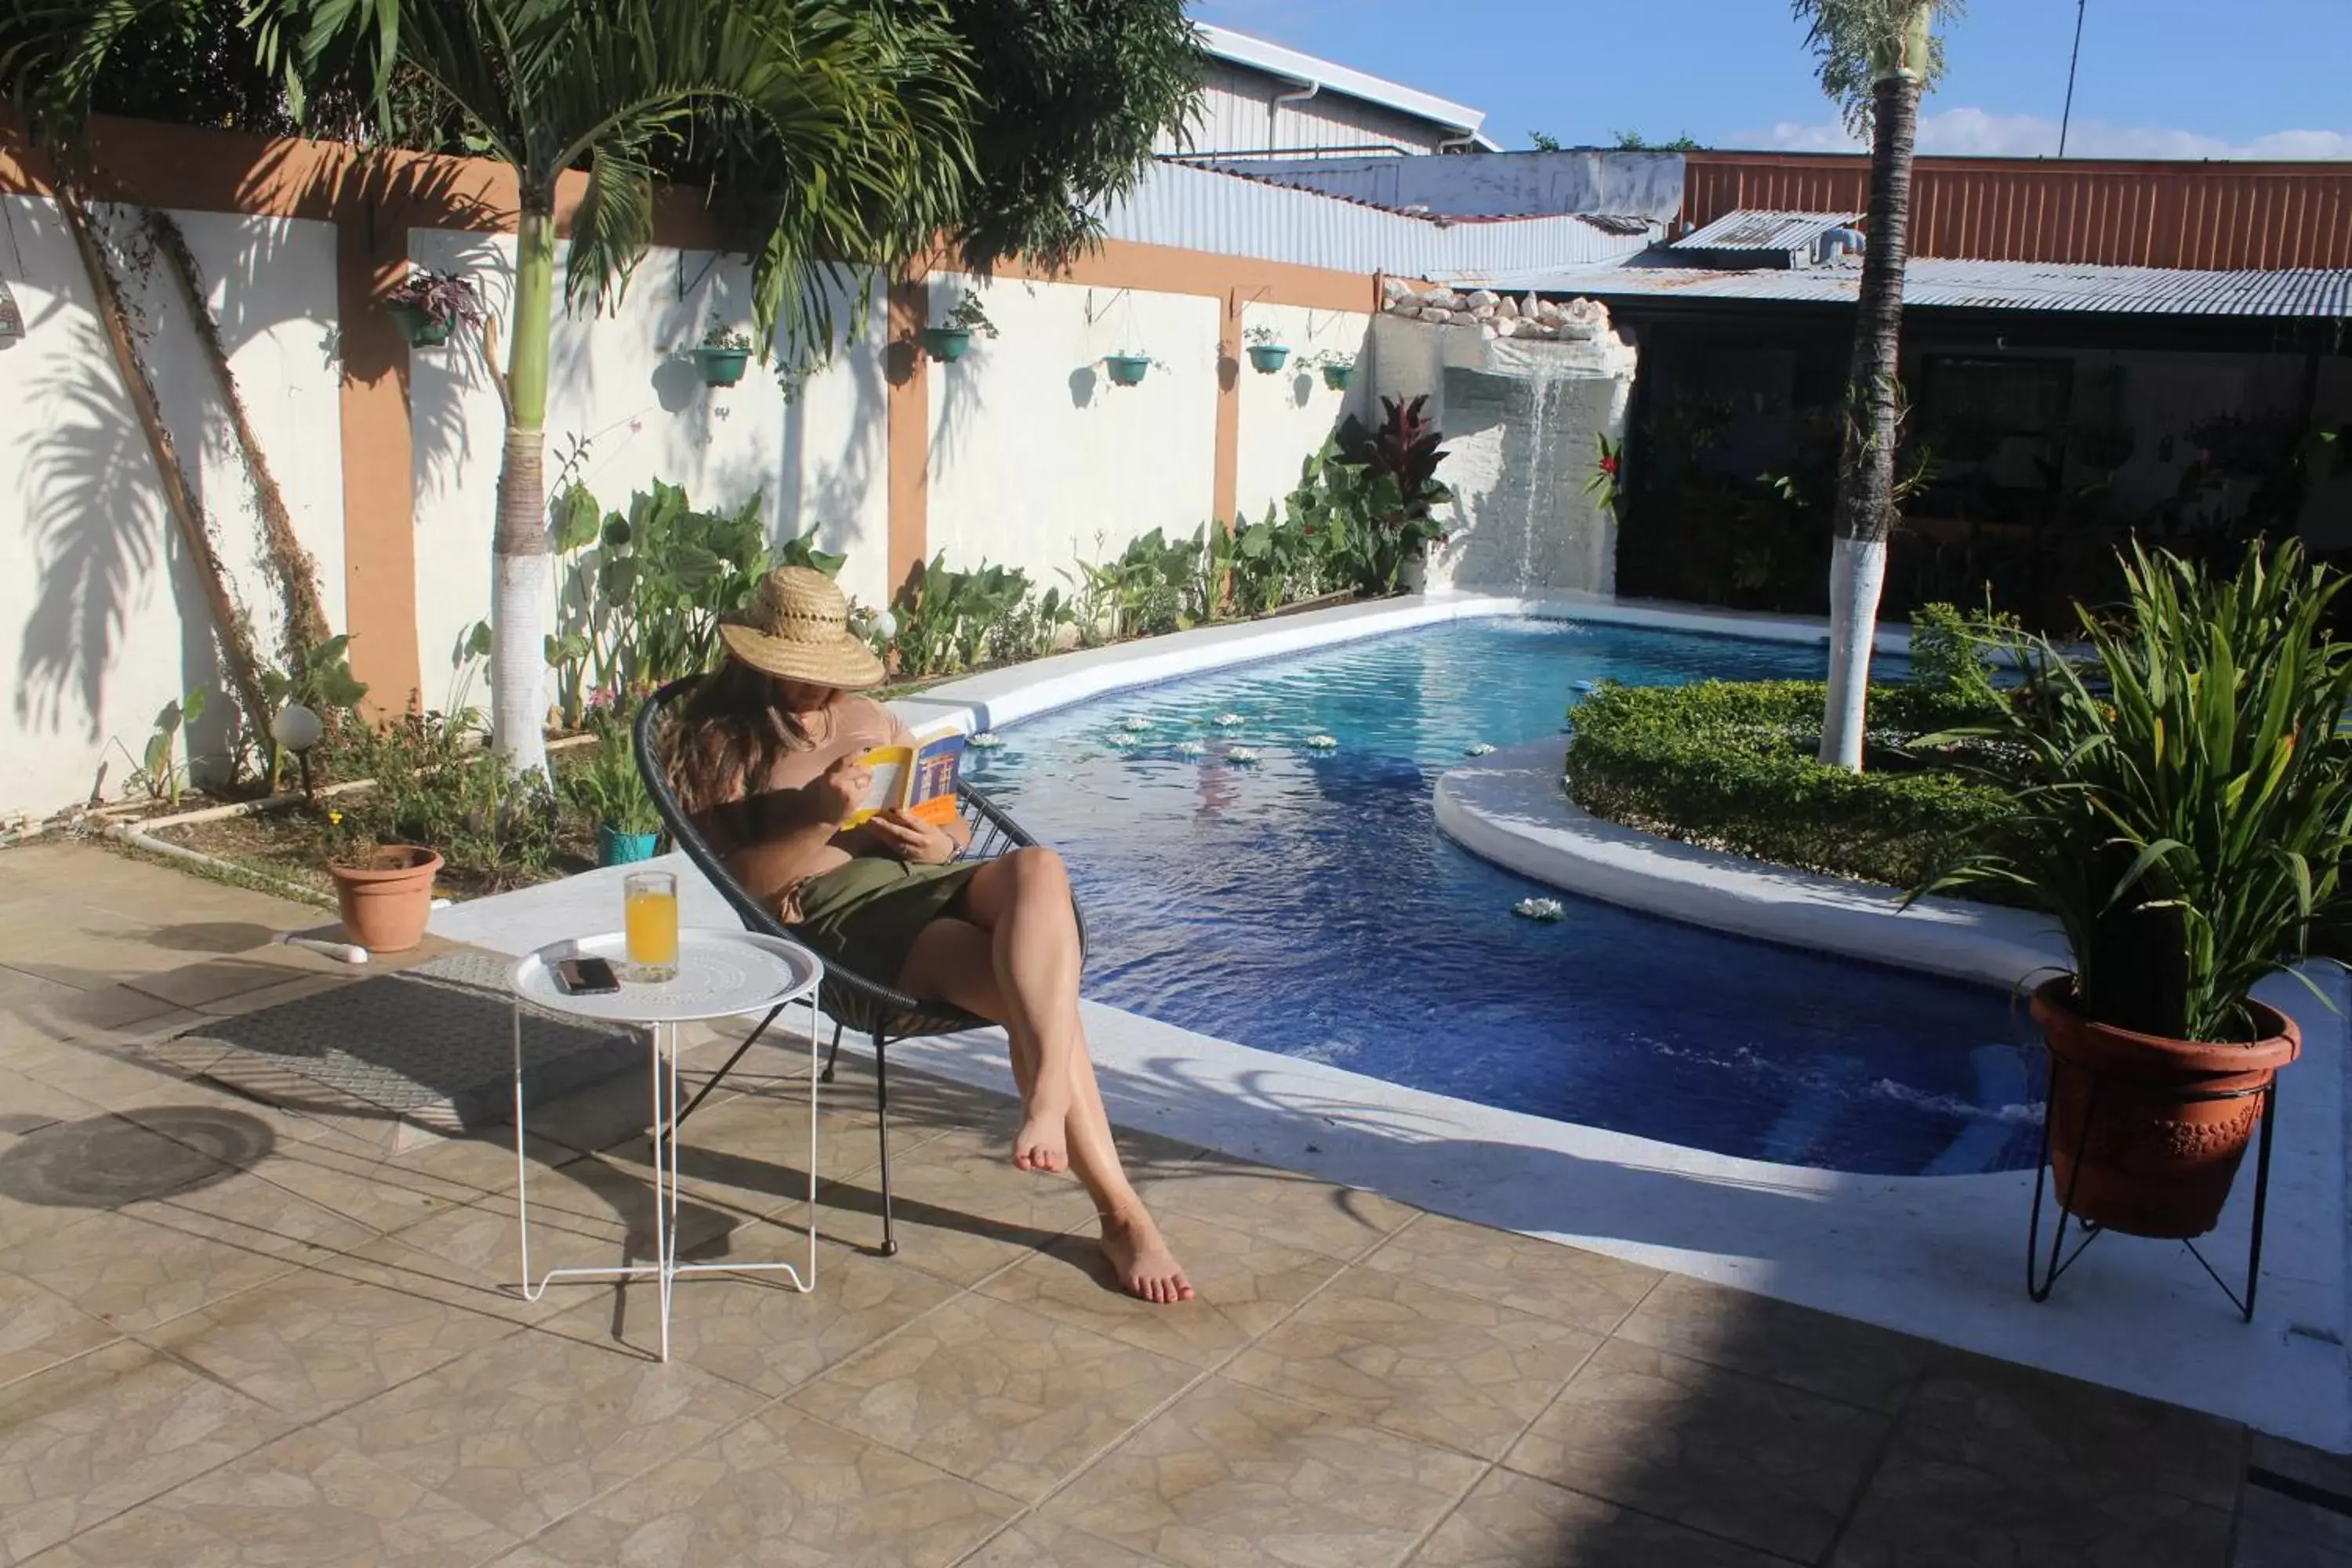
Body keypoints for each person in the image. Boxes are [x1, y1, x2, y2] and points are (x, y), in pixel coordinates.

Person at [662, 566, 1192, 1305]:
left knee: (1038, 868)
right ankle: (1123, 1215)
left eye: (825, 673)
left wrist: (935, 842)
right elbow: (747, 889)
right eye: (799, 675)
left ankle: (1044, 1099)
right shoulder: (718, 744)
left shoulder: (872, 721)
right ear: (757, 658)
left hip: (917, 881)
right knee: (1039, 994)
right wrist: (818, 813)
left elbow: (950, 826)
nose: (816, 689)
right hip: (840, 920)